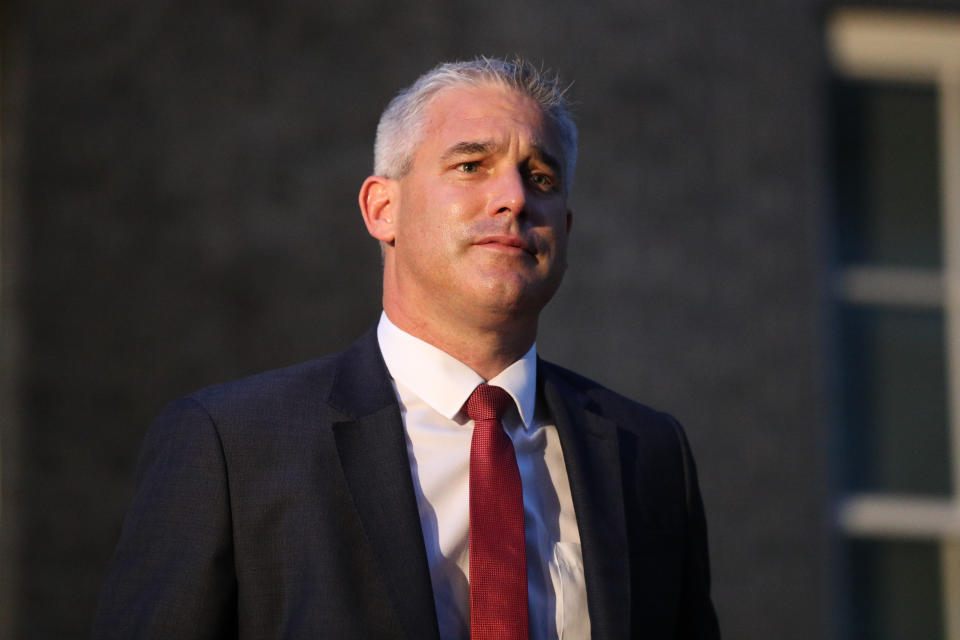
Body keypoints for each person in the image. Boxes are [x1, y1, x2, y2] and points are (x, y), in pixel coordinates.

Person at [93, 57, 720, 639]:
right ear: (382, 208)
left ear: (566, 229)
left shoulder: (648, 453)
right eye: (471, 165)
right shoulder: (231, 446)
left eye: (541, 177)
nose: (514, 198)